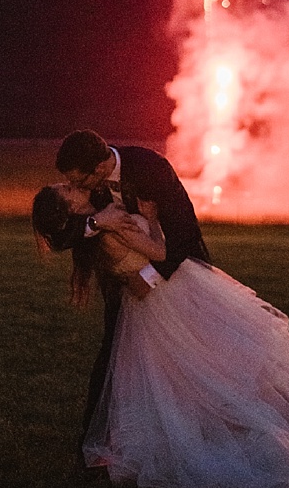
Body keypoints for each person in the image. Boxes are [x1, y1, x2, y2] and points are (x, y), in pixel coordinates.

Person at [32, 181, 289, 488]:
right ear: (72, 207)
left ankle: (256, 427)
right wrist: (149, 220)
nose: (74, 185)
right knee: (219, 368)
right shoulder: (107, 231)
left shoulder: (101, 221)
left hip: (166, 296)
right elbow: (161, 252)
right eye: (68, 190)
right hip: (171, 300)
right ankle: (261, 439)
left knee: (216, 367)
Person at [35, 130, 211, 453]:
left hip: (180, 276)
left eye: (79, 182)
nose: (78, 189)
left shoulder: (150, 168)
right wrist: (96, 223)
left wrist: (150, 276)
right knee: (114, 363)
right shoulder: (89, 199)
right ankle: (97, 446)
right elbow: (61, 233)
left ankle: (207, 428)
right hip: (125, 294)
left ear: (99, 169)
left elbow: (185, 232)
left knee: (204, 356)